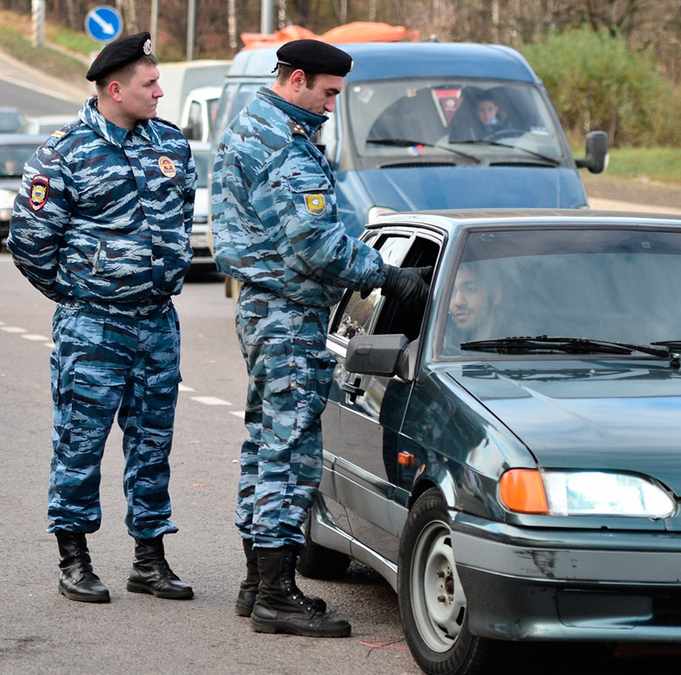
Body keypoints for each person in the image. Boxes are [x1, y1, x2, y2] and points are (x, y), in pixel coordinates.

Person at [211, 39, 429, 638]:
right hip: (287, 313)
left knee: (264, 441)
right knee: (290, 449)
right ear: (298, 79)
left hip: (264, 307)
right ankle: (277, 595)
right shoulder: (284, 145)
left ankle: (257, 582)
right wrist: (388, 275)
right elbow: (318, 245)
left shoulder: (253, 127)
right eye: (329, 92)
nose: (333, 106)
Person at [7, 32, 196, 604]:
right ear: (115, 89)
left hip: (157, 322)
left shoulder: (170, 143)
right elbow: (29, 241)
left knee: (152, 444)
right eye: (150, 84)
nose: (161, 92)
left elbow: (182, 215)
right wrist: (77, 292)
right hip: (94, 324)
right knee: (80, 441)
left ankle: (149, 558)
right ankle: (74, 559)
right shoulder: (62, 153)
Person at [447, 262, 503, 350]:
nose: (458, 301)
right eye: (451, 291)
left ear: (495, 295)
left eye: (470, 289)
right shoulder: (439, 339)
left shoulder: (518, 344)